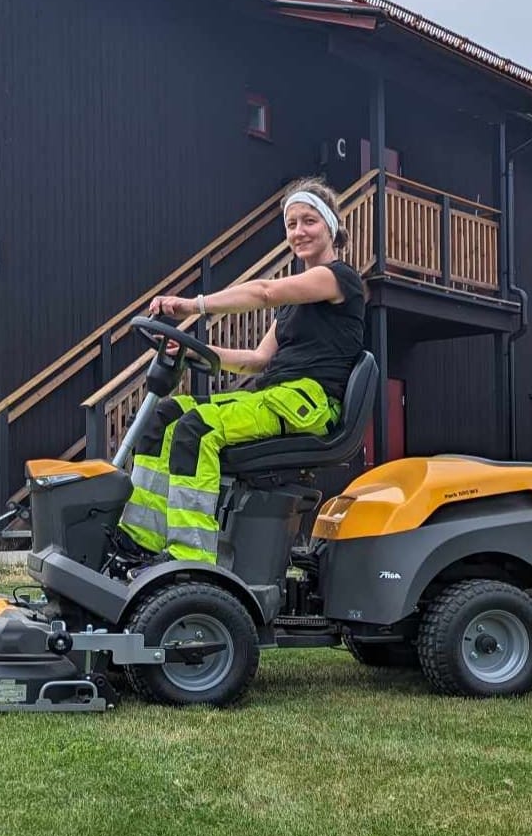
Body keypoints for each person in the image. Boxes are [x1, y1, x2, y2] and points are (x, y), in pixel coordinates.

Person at [117, 176, 365, 567]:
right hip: (274, 396)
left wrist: (192, 306)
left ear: (331, 225)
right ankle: (139, 540)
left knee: (197, 430)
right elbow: (256, 360)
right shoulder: (292, 303)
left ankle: (190, 559)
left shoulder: (337, 278)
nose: (299, 231)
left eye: (309, 221)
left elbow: (264, 292)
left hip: (308, 402)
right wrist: (192, 348)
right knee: (166, 416)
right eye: (291, 224)